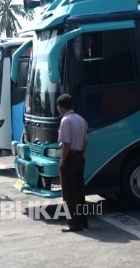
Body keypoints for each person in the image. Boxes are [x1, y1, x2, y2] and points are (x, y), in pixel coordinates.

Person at [57, 93, 89, 233]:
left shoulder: (66, 121)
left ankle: (73, 223)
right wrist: (81, 155)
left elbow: (66, 144)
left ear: (60, 107)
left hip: (70, 158)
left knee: (69, 193)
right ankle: (83, 221)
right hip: (79, 157)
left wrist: (62, 162)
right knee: (80, 190)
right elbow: (85, 142)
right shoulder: (81, 119)